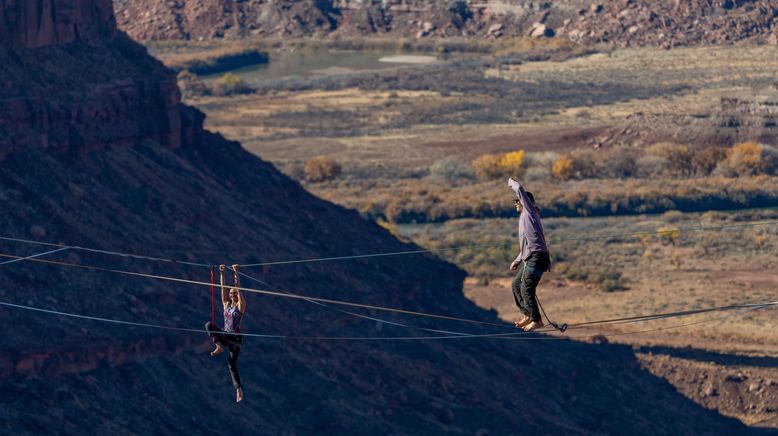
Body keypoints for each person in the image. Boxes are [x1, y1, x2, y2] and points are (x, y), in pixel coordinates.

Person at [508, 178, 551, 332]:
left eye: (517, 201)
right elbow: (526, 245)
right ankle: (528, 314)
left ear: (523, 202)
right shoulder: (525, 218)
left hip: (538, 258)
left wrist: (510, 181)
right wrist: (517, 260)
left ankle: (537, 320)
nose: (515, 204)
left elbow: (519, 188)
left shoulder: (530, 212)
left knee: (527, 287)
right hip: (530, 257)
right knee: (516, 284)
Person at [205, 264, 246, 402]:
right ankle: (219, 346)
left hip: (235, 339)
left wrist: (236, 272)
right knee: (208, 325)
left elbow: (239, 289)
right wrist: (222, 273)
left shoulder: (240, 306)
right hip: (225, 334)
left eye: (234, 293)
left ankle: (238, 390)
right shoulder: (226, 304)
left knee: (231, 364)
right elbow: (222, 290)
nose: (232, 295)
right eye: (231, 293)